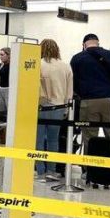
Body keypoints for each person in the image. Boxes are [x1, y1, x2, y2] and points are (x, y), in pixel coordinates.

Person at [70, 33, 110, 162]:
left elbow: (74, 82)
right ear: (98, 43)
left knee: (89, 136)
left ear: (84, 45)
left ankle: (90, 170)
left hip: (89, 101)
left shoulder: (77, 58)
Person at [36, 39, 73, 178]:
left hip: (40, 107)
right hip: (58, 107)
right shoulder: (65, 66)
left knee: (39, 140)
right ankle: (52, 170)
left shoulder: (38, 64)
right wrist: (66, 109)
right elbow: (69, 91)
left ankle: (40, 170)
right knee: (53, 140)